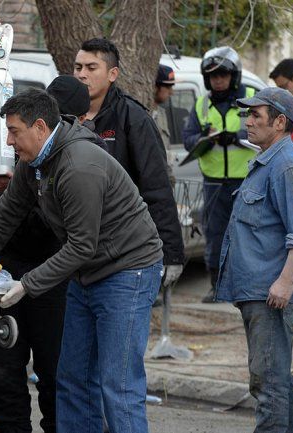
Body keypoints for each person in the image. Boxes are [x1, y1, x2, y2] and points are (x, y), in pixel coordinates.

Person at [0, 89, 163, 433]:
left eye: (14, 131)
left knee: (117, 385)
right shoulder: (35, 162)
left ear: (40, 128)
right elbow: (7, 214)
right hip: (88, 274)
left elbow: (81, 246)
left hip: (127, 271)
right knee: (72, 378)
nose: (9, 142)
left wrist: (26, 285)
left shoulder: (78, 166)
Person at [0, 41, 102, 432]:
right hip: (2, 267)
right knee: (3, 371)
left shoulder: (82, 157)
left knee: (56, 374)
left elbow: (80, 236)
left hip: (54, 275)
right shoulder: (22, 149)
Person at [216, 87, 293, 432]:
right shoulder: (269, 161)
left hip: (272, 293)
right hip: (260, 291)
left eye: (256, 116)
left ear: (279, 122)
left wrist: (285, 281)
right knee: (273, 382)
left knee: (268, 384)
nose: (248, 122)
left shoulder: (287, 166)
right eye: (248, 115)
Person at [73, 38, 184, 293]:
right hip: (75, 254)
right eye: (78, 67)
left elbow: (157, 187)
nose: (82, 75)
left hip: (123, 255)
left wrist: (172, 252)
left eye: (91, 68)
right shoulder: (62, 114)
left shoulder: (132, 118)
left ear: (112, 74)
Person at [182, 46, 256, 303]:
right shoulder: (202, 105)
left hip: (247, 181)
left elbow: (270, 129)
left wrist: (237, 137)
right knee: (215, 235)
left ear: (233, 75)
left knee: (247, 234)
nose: (218, 80)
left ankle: (247, 287)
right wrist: (206, 139)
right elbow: (188, 139)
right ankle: (217, 286)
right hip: (214, 182)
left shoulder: (252, 97)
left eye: (223, 74)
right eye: (213, 76)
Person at [153, 64, 177, 184]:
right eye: (168, 87)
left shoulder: (162, 114)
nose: (171, 92)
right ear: (155, 86)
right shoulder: (140, 114)